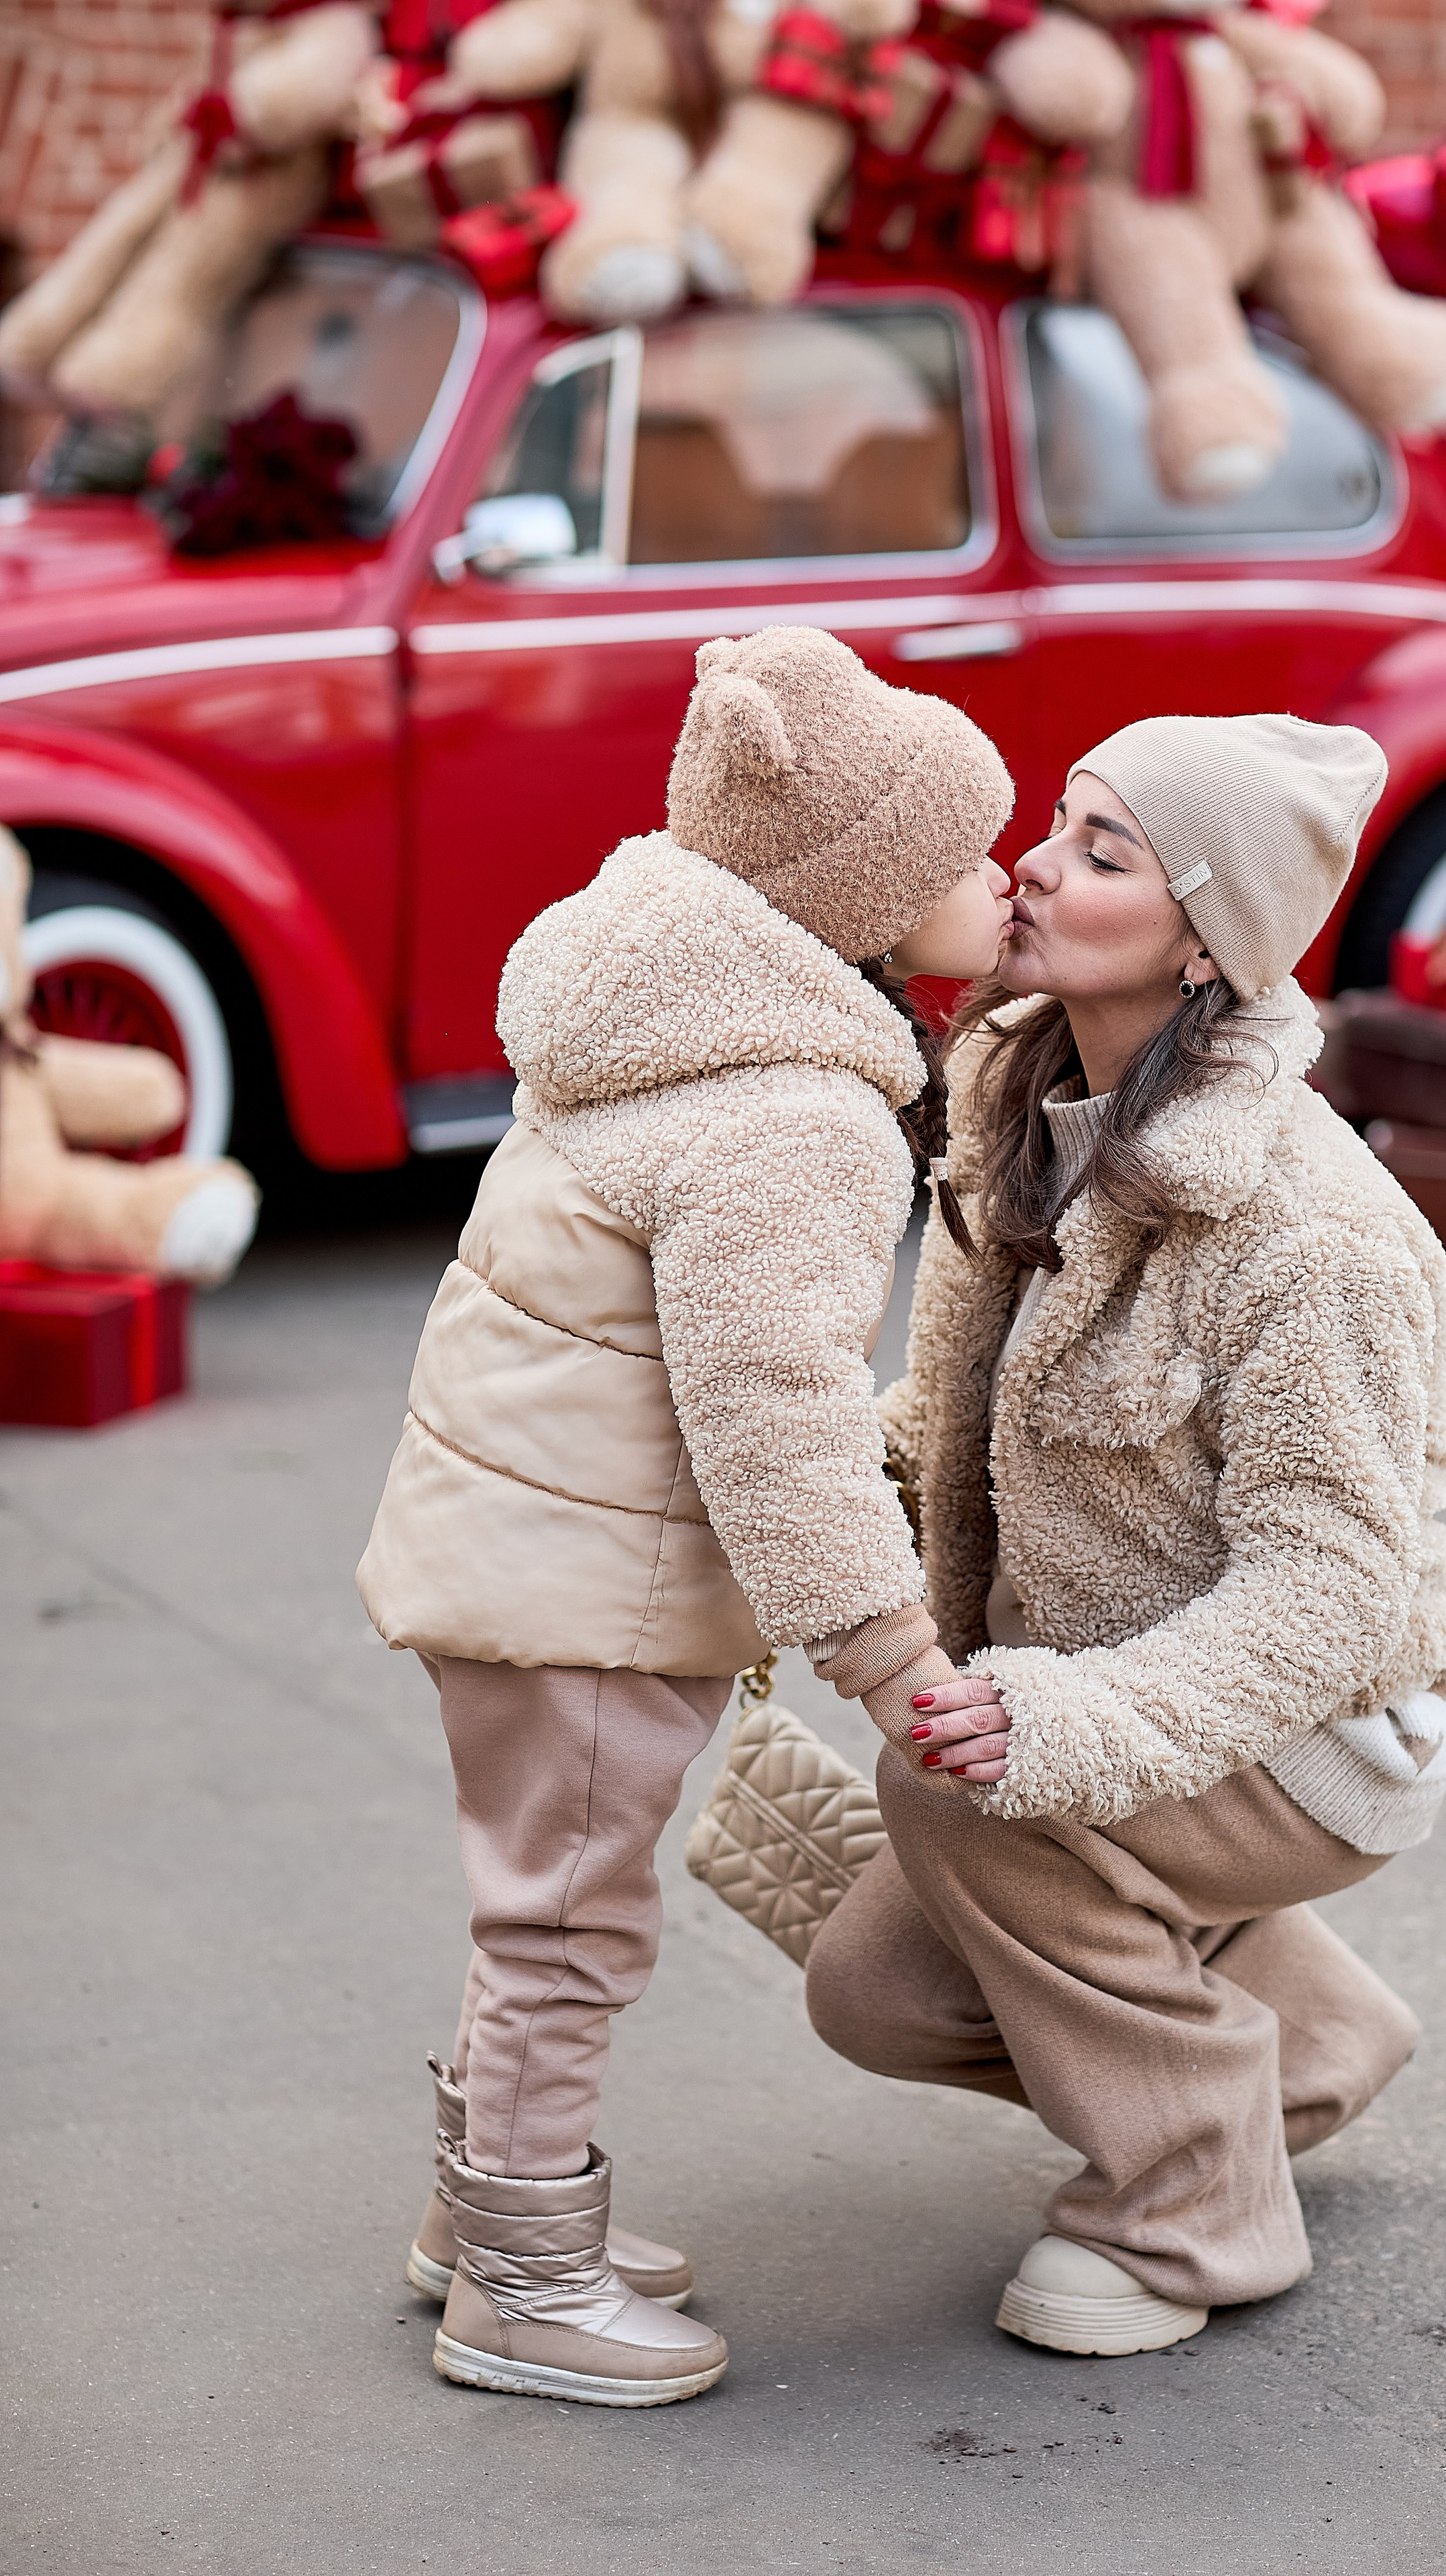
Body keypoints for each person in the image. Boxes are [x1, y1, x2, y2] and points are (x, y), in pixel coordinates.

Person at [357, 626, 1013, 2407]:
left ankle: (482, 2216)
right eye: (963, 856)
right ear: (859, 898)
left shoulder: (650, 1023)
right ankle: (524, 2285)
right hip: (586, 1585)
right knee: (568, 1927)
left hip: (523, 1546)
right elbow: (774, 1414)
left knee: (537, 1906)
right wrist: (888, 1653)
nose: (1004, 875)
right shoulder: (792, 1113)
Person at [805, 714, 1446, 2360]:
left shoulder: (1314, 1235)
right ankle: (1308, 2047)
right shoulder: (1022, 1074)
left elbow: (1324, 1598)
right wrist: (819, 1490)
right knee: (877, 1993)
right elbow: (961, 1407)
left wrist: (1059, 1727)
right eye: (1063, 823)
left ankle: (1198, 2211)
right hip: (1129, 1675)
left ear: (1205, 943)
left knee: (956, 1786)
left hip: (1324, 1725)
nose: (1038, 864)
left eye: (1106, 852)